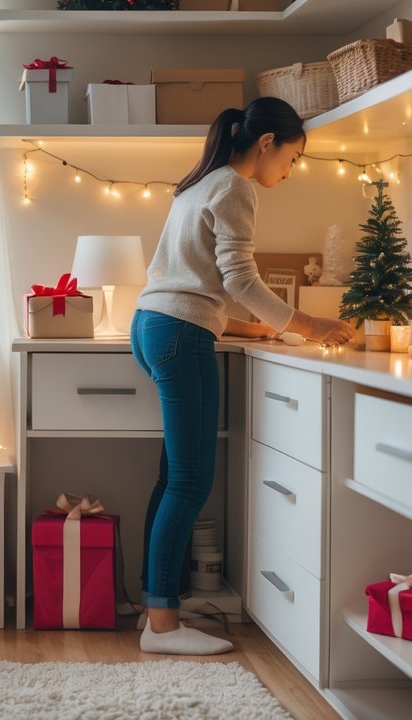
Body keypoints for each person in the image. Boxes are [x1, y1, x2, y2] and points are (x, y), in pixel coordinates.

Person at [131, 97, 355, 655]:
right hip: (181, 336)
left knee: (172, 478)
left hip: (153, 325)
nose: (290, 170)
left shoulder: (198, 183)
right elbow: (242, 279)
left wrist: (246, 330)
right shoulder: (235, 187)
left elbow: (195, 280)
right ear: (266, 144)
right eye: (293, 158)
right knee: (190, 481)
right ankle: (162, 626)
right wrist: (309, 324)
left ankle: (154, 610)